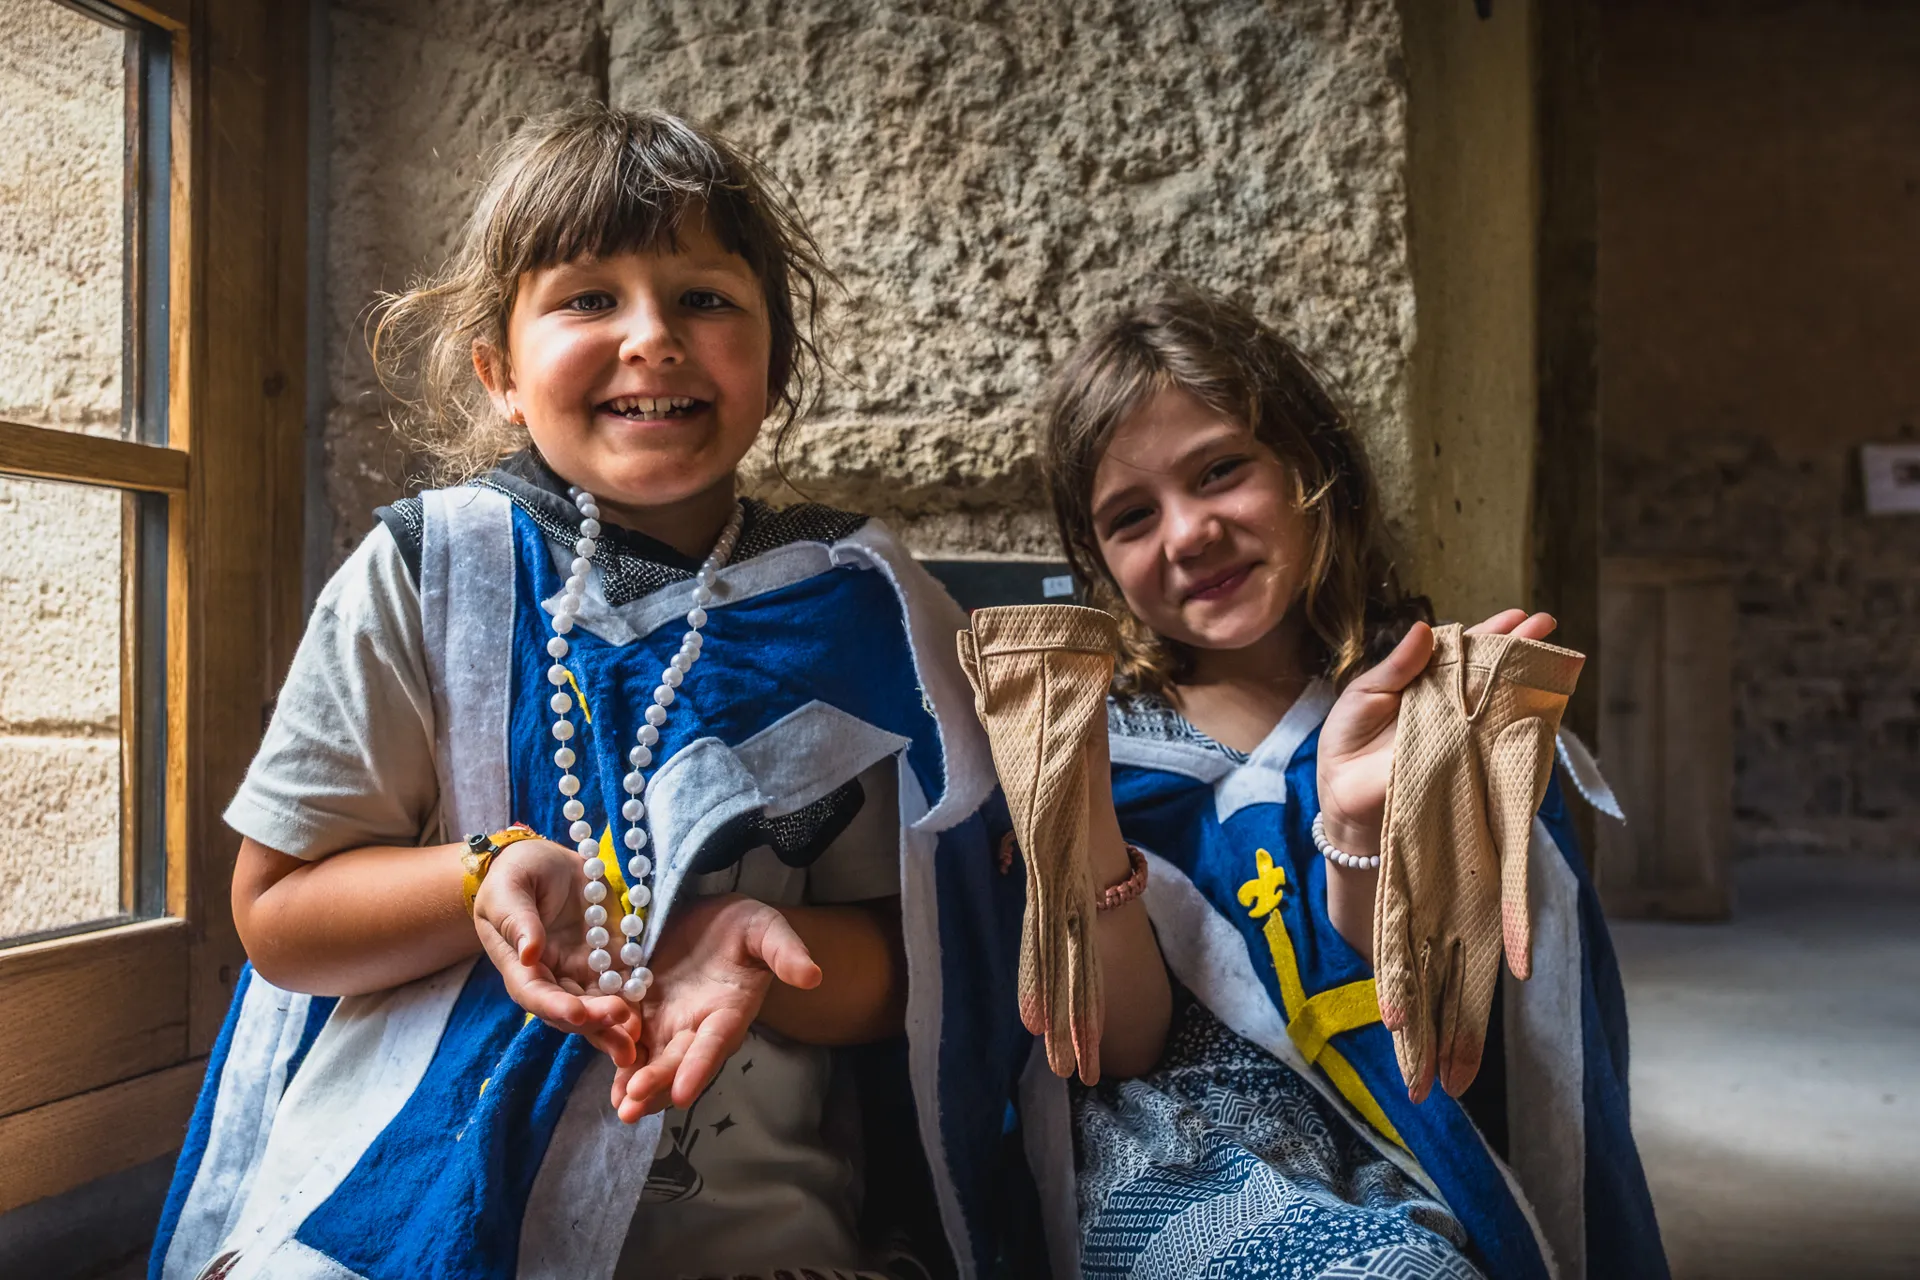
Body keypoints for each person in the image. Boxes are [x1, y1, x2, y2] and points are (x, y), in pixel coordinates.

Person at [149, 103, 1043, 1280]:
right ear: (500, 372)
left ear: (774, 364)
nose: (653, 337)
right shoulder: (430, 574)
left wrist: (740, 943)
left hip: (752, 1229)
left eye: (706, 297)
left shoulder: (867, 605)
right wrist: (477, 875)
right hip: (403, 1190)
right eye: (587, 297)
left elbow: (931, 964)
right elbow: (279, 917)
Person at [1031, 287, 1669, 1279]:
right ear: (1100, 564)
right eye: (1130, 516)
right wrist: (1078, 833)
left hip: (1400, 1140)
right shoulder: (1107, 749)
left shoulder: (1434, 709)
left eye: (1221, 469)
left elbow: (1424, 1018)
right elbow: (1120, 1049)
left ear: (1309, 465)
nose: (1189, 531)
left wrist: (1360, 819)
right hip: (1180, 1151)